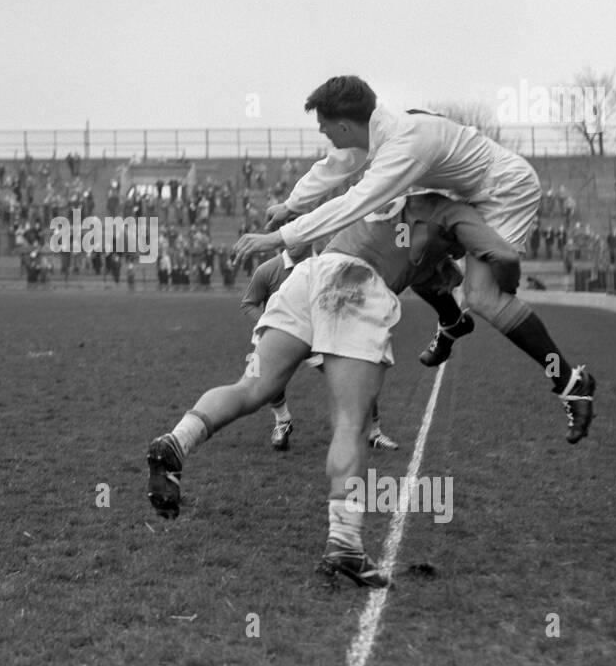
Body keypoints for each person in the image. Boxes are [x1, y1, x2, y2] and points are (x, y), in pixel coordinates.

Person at [149, 192, 517, 587]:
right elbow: (499, 258)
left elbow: (421, 260)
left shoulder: (395, 187)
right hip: (354, 286)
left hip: (310, 275)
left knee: (253, 387)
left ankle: (175, 442)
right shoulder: (454, 212)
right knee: (352, 422)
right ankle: (344, 543)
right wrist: (502, 284)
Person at [233, 76, 595, 443]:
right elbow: (334, 165)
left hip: (505, 191)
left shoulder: (404, 146)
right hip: (466, 191)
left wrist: (279, 236)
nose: (325, 134)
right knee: (412, 249)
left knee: (483, 296)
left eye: (325, 128)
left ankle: (570, 382)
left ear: (344, 125)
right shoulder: (379, 132)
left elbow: (354, 203)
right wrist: (290, 205)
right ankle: (452, 320)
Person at [239, 246, 404, 453]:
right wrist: (274, 324)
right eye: (291, 227)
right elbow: (248, 303)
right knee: (264, 377)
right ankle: (282, 422)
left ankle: (374, 432)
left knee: (357, 376)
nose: (297, 239)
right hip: (286, 336)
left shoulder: (328, 263)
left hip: (322, 336)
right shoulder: (267, 270)